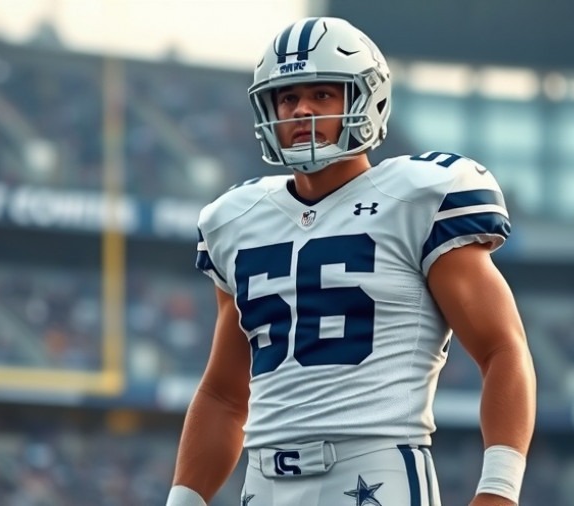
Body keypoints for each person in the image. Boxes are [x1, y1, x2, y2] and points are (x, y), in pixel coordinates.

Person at [166, 16, 536, 506]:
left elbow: (502, 349)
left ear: (366, 100)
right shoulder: (236, 219)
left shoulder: (418, 197)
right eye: (288, 97)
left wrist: (500, 489)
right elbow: (224, 395)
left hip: (376, 477)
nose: (300, 110)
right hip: (262, 487)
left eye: (322, 95)